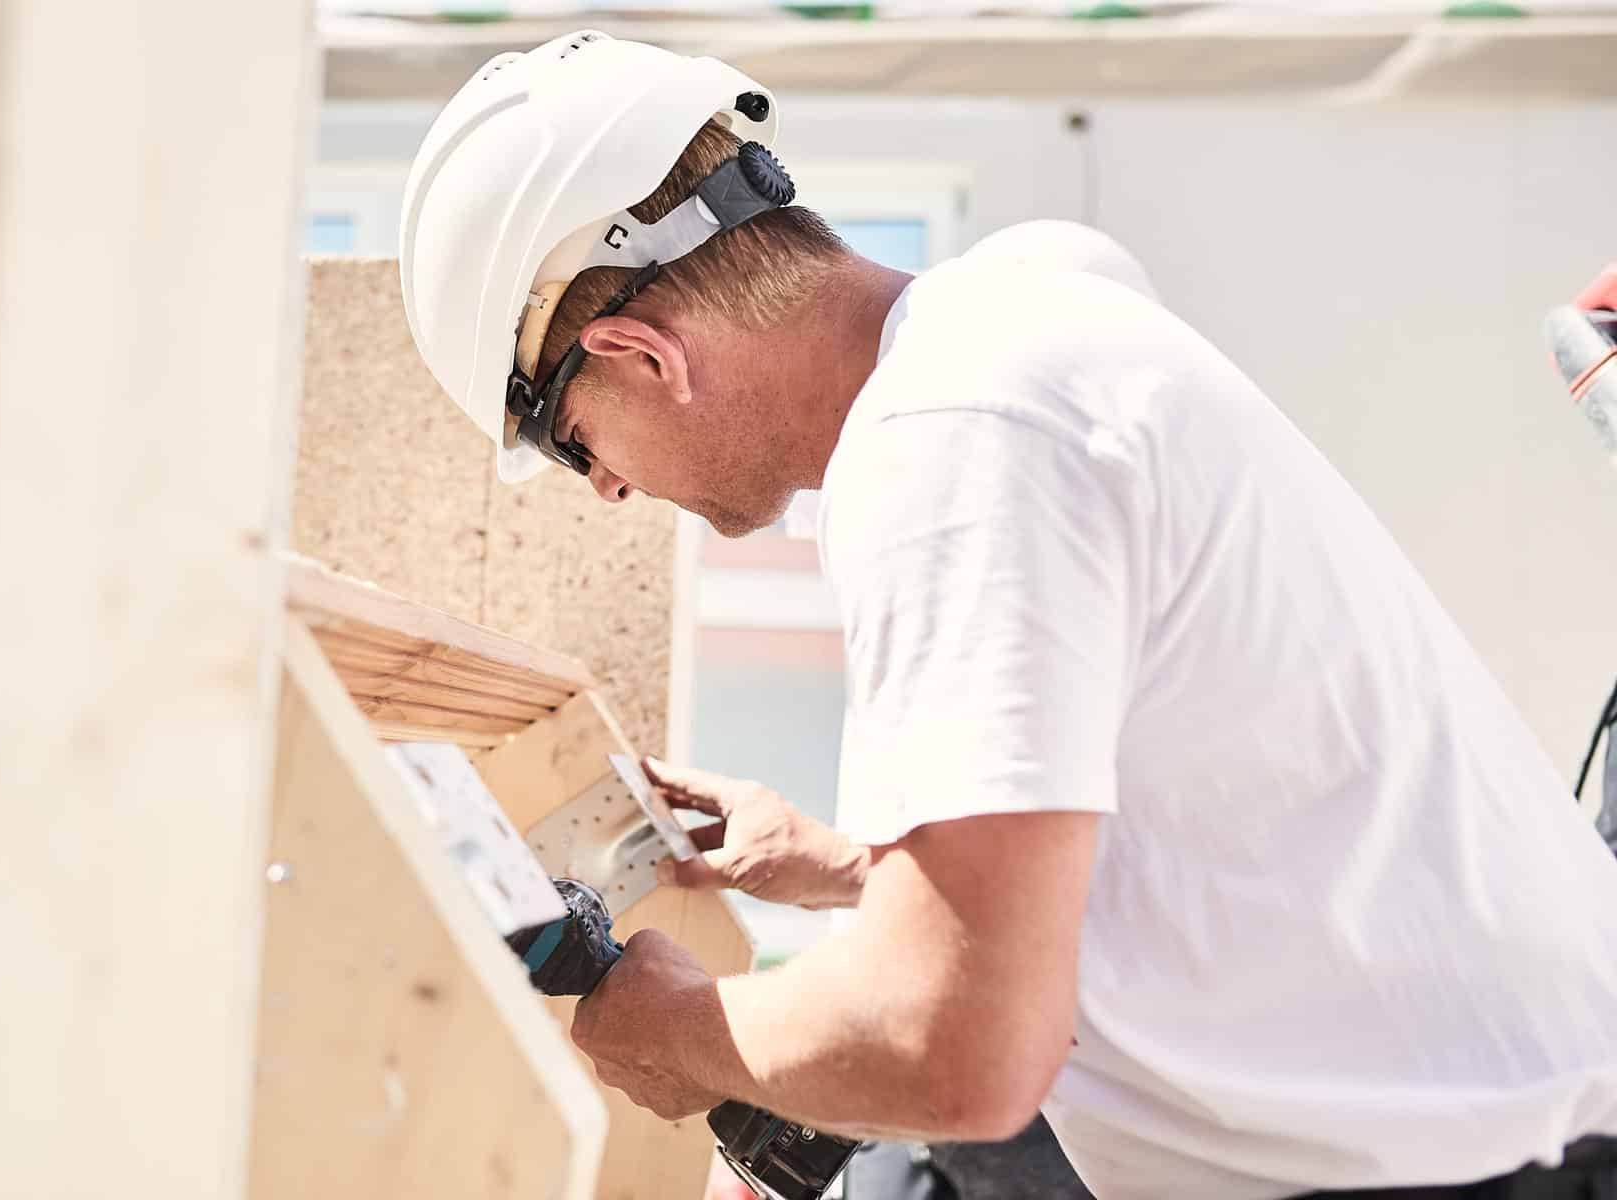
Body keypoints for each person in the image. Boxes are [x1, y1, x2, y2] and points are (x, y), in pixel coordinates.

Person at [397, 32, 1617, 1199]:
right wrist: (852, 868)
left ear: (639, 352)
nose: (605, 485)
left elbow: (953, 1047)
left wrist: (667, 1024)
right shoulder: (1021, 333)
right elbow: (1185, 831)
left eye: (567, 442)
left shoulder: (955, 439)